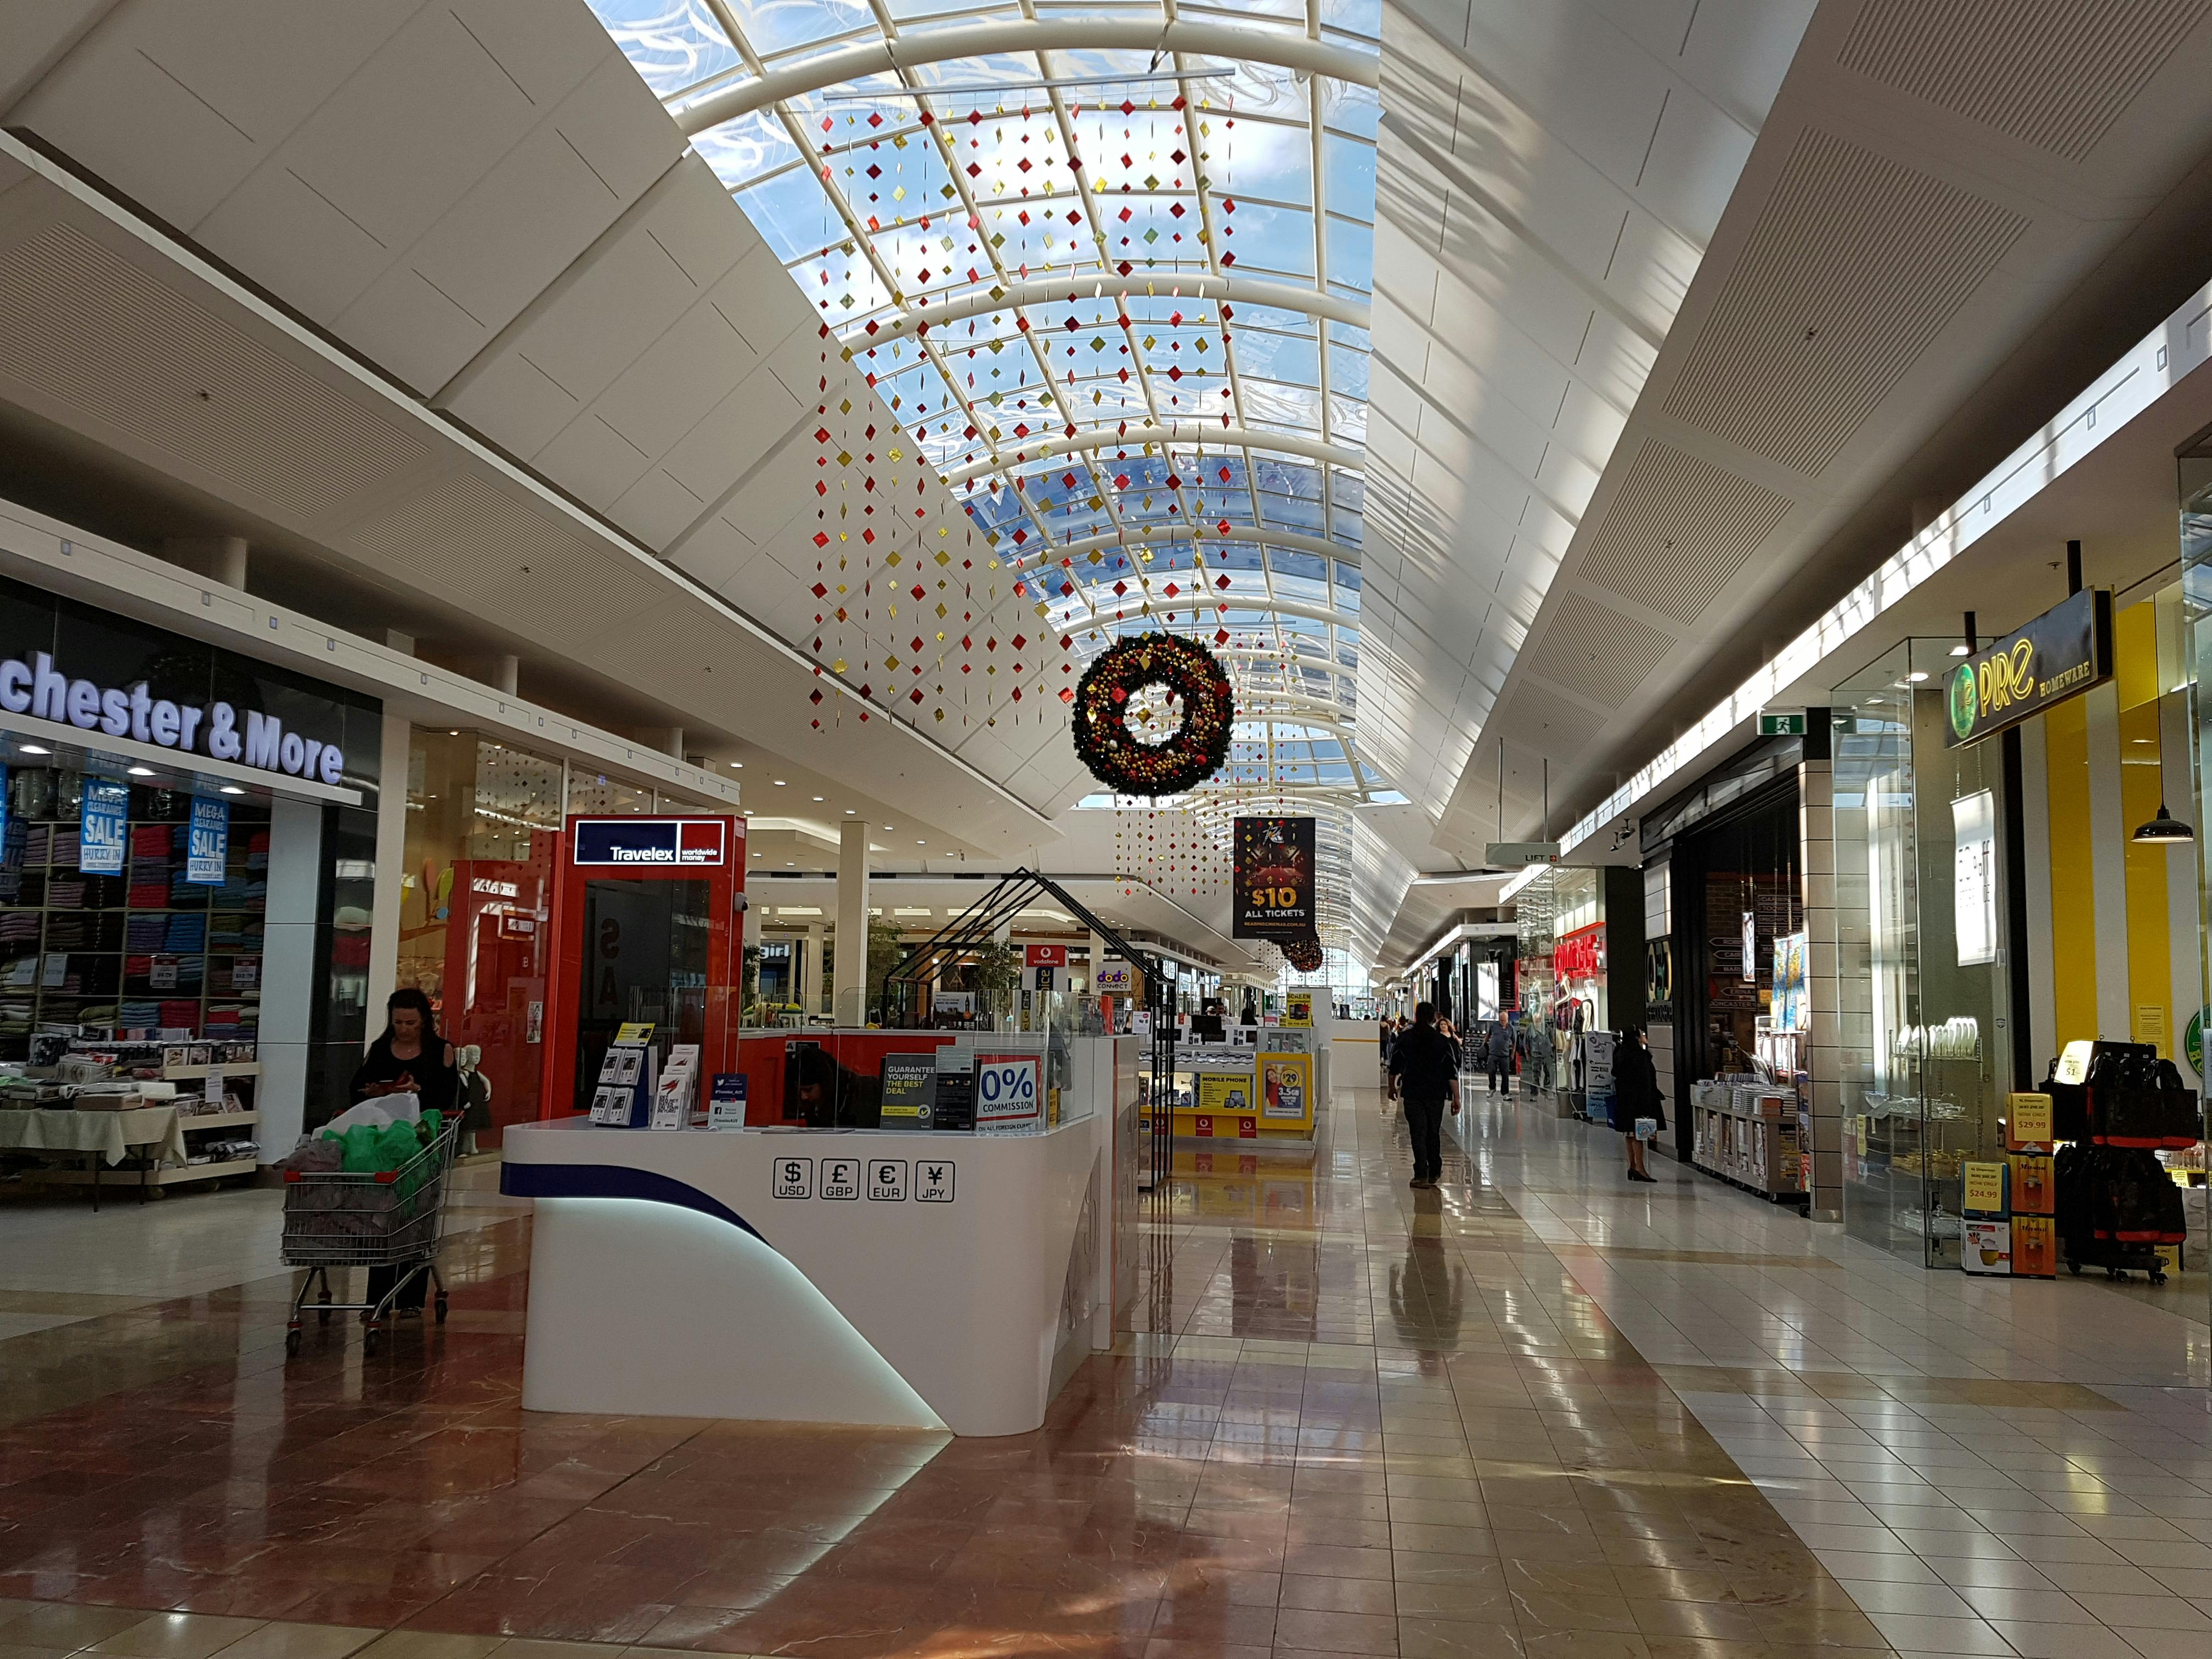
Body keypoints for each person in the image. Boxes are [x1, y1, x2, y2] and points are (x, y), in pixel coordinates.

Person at [348, 989, 458, 1314]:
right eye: (398, 1022)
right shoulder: (381, 1050)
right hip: (384, 1143)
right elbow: (356, 1089)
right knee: (382, 1216)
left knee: (417, 1213)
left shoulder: (441, 1051)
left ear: (424, 1020)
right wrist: (374, 1092)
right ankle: (378, 1294)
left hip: (423, 1141)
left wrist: (417, 1093)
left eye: (411, 1022)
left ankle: (410, 1299)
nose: (404, 1029)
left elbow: (445, 1097)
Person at [1387, 1002, 1461, 1189]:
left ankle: (1421, 1174)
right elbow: (1451, 1071)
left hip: (1413, 1091)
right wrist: (1456, 1097)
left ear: (1417, 1016)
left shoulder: (1405, 1039)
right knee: (1432, 1131)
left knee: (1418, 1132)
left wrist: (1391, 1088)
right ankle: (1435, 1169)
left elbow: (1395, 1065)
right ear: (1433, 1019)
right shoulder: (1442, 1042)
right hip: (1436, 1093)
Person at [1614, 1026, 1665, 1183]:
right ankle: (1641, 1169)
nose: (1645, 1036)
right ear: (1637, 1039)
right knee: (1639, 1135)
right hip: (1640, 1101)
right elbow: (1645, 1082)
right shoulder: (1640, 1057)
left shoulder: (1621, 1053)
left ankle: (1633, 1165)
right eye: (1642, 1034)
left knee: (1629, 1134)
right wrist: (1647, 1105)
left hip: (1625, 1101)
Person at [1486, 1017, 1513, 1093]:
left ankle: (1505, 1093)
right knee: (1491, 1071)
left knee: (1505, 1075)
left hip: (1505, 1055)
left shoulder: (1511, 1028)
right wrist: (1483, 1045)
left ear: (1507, 1020)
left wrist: (1513, 1053)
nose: (1503, 1022)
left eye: (1504, 1020)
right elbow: (1488, 1035)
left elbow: (1514, 1041)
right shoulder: (1494, 1026)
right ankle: (1492, 1087)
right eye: (1501, 1020)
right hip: (1493, 1053)